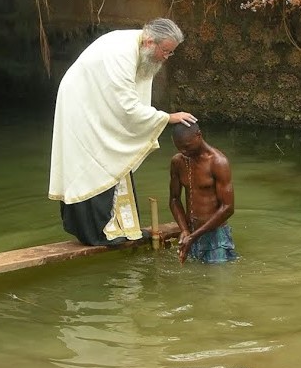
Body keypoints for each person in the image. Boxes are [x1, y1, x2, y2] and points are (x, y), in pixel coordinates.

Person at [48, 18, 198, 246]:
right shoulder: (122, 54)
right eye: (166, 51)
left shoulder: (141, 50)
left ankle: (123, 227)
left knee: (116, 157)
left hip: (98, 102)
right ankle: (97, 232)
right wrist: (167, 118)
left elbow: (134, 101)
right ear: (150, 42)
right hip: (82, 104)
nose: (167, 57)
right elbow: (127, 107)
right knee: (95, 159)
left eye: (171, 53)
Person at [169, 122, 237, 264]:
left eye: (187, 147)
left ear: (198, 135)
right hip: (191, 232)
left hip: (215, 235)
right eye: (179, 148)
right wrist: (185, 230)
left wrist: (193, 236)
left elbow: (228, 208)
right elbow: (174, 199)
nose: (184, 152)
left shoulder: (218, 162)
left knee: (218, 280)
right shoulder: (178, 162)